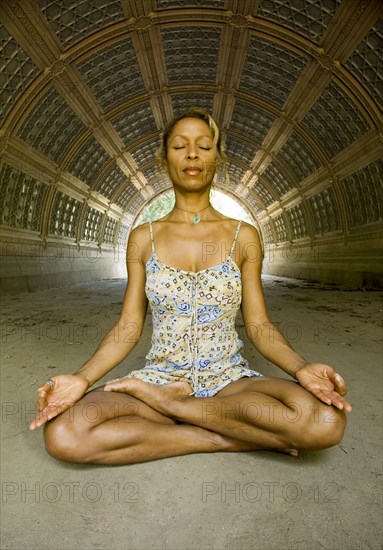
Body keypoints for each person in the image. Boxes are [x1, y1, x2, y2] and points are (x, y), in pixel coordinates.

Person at [29, 107, 352, 464]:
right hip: (159, 378)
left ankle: (177, 408)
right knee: (64, 434)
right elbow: (128, 327)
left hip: (229, 382)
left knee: (325, 422)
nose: (192, 154)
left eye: (204, 145)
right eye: (180, 146)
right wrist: (80, 378)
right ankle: (218, 437)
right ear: (164, 160)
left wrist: (301, 368)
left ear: (217, 157)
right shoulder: (142, 239)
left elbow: (260, 326)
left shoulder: (244, 237)